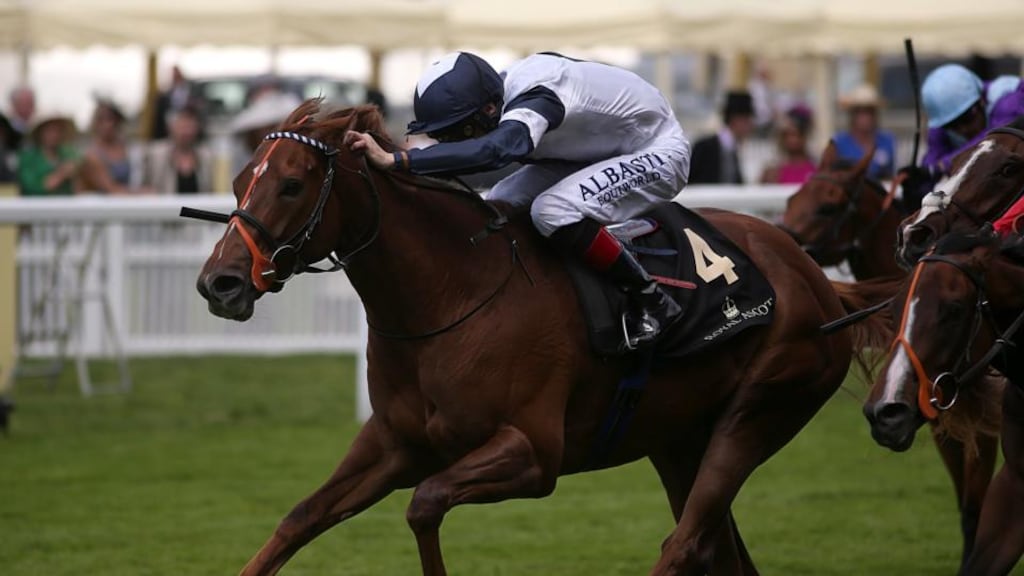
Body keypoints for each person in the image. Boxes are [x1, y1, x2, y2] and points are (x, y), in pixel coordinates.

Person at [346, 52, 691, 347]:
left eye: (456, 133)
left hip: (656, 149)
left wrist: (400, 161)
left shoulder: (538, 94)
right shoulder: (495, 98)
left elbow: (499, 149)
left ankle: (652, 300)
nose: (449, 142)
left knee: (551, 211)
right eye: (442, 136)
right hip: (592, 152)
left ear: (490, 109)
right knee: (495, 202)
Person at [902, 64, 1024, 211]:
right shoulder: (940, 124)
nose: (963, 130)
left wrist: (939, 167)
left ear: (981, 101)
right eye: (953, 125)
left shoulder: (1010, 102)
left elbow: (992, 141)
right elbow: (931, 167)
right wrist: (917, 184)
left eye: (967, 118)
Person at [687, 91, 756, 184]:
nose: (751, 126)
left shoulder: (734, 149)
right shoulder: (704, 147)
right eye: (748, 120)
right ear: (736, 120)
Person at [143, 105, 213, 194]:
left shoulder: (206, 155)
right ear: (170, 127)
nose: (187, 131)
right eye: (183, 126)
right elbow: (142, 186)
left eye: (191, 126)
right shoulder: (155, 153)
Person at [833, 84, 896, 179]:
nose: (865, 116)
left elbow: (890, 175)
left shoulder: (887, 141)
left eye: (869, 111)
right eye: (859, 111)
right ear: (851, 114)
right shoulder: (839, 143)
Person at [80, 98, 137, 194]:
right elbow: (111, 189)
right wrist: (143, 194)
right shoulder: (91, 156)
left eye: (111, 119)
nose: (107, 125)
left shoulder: (128, 148)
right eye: (101, 119)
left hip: (126, 203)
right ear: (95, 123)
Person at [17, 114, 80, 196]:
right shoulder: (28, 158)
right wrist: (62, 173)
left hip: (65, 205)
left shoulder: (69, 153)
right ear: (40, 132)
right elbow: (37, 187)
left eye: (58, 130)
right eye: (50, 130)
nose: (54, 135)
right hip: (35, 206)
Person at [760, 105, 816, 184]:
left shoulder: (816, 169)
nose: (791, 140)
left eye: (795, 134)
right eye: (787, 135)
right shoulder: (774, 170)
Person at [151, 65, 195, 141]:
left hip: (185, 115)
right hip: (171, 119)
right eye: (174, 74)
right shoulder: (167, 92)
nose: (175, 76)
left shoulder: (190, 89)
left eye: (177, 73)